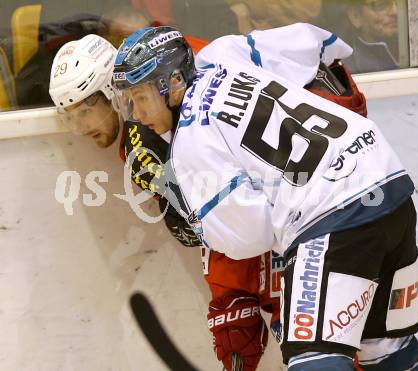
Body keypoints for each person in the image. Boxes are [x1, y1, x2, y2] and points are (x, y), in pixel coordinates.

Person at [112, 24, 418, 371]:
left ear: (174, 82)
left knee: (314, 361)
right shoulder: (223, 54)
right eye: (127, 101)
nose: (136, 116)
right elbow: (313, 41)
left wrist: (196, 215)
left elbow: (250, 238)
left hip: (335, 213)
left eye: (141, 98)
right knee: (388, 353)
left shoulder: (191, 144)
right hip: (385, 176)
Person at [48, 33, 280, 371]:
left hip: (282, 220)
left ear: (112, 94)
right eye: (70, 116)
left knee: (310, 342)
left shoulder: (148, 135)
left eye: (85, 110)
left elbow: (196, 222)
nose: (81, 127)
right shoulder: (153, 119)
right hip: (253, 227)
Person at [342, 0, 400, 73]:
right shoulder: (345, 71)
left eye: (401, 3)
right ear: (355, 16)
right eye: (381, 4)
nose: (395, 12)